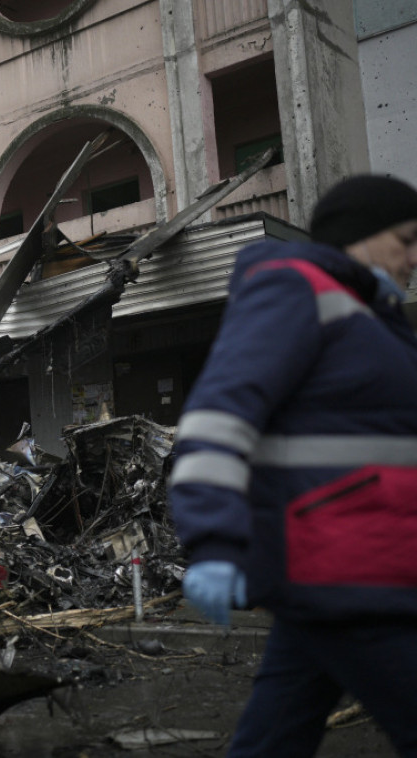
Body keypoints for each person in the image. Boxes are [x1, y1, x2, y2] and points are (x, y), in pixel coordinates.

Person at [168, 174, 417, 757]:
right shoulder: (297, 289)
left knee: (272, 742)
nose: (414, 257)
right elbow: (219, 415)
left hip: (349, 566)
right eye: (406, 239)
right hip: (349, 567)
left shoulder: (375, 318)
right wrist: (213, 541)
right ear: (360, 236)